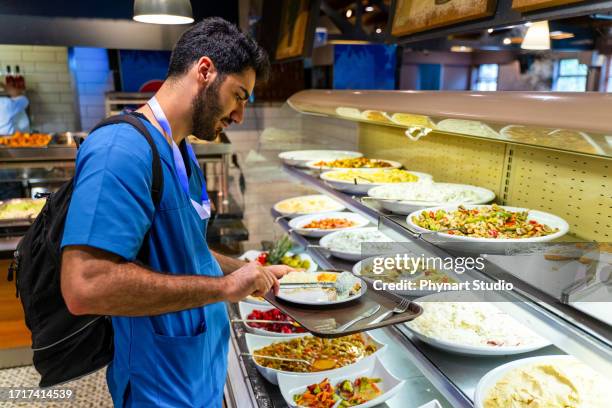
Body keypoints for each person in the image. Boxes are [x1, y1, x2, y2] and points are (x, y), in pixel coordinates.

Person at [60, 17, 289, 407]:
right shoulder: (121, 149)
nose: (239, 116)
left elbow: (186, 248)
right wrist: (223, 288)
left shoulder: (180, 148)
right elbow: (85, 286)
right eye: (239, 95)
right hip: (159, 388)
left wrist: (246, 271)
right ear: (205, 71)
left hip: (199, 375)